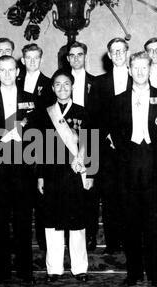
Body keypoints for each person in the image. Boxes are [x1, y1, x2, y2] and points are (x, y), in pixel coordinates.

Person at [108, 51, 157, 287]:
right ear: (128, 70)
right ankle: (133, 273)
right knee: (131, 224)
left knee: (153, 224)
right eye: (135, 68)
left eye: (144, 68)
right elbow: (114, 133)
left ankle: (156, 275)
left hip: (153, 165)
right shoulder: (118, 100)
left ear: (150, 69)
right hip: (128, 166)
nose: (139, 72)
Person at [0, 55, 36, 285]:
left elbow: (38, 135)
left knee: (23, 221)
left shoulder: (31, 101)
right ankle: (1, 272)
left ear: (18, 71)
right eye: (2, 70)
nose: (6, 74)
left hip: (24, 169)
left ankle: (26, 271)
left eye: (10, 69)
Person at [36, 69, 93, 283]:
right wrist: (40, 176)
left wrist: (90, 174)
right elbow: (40, 147)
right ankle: (54, 269)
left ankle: (80, 268)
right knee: (52, 223)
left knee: (77, 223)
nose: (62, 88)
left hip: (76, 173)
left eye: (66, 84)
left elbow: (91, 142)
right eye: (57, 85)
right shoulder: (45, 113)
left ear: (72, 86)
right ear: (52, 88)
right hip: (52, 174)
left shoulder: (83, 112)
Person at [91, 37, 133, 254]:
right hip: (107, 148)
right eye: (113, 51)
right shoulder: (99, 83)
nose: (117, 55)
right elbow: (94, 116)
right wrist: (107, 137)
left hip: (132, 147)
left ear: (127, 52)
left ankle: (129, 240)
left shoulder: (137, 77)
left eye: (121, 50)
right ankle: (112, 242)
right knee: (109, 196)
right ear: (108, 55)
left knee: (129, 195)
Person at [17, 43, 54, 252]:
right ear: (22, 60)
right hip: (18, 146)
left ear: (41, 59)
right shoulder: (15, 80)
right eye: (28, 58)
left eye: (36, 58)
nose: (32, 61)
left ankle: (43, 240)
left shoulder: (49, 84)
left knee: (42, 195)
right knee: (21, 194)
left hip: (41, 144)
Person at [66, 41, 98, 251]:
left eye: (80, 54)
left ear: (86, 56)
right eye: (72, 55)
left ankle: (91, 234)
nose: (76, 58)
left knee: (90, 191)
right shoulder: (58, 82)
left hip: (90, 140)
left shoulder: (96, 83)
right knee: (69, 192)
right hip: (65, 145)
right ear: (67, 58)